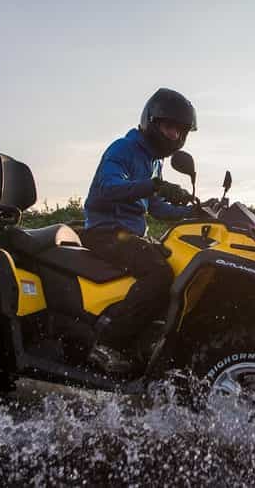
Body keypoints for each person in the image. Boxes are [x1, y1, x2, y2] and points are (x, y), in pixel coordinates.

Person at [79, 88, 197, 364]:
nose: (175, 136)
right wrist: (154, 185)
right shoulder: (124, 148)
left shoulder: (154, 161)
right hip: (104, 231)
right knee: (159, 273)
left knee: (176, 264)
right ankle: (108, 344)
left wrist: (191, 213)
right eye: (170, 128)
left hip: (130, 234)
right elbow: (108, 187)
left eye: (180, 131)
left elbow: (155, 207)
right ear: (152, 122)